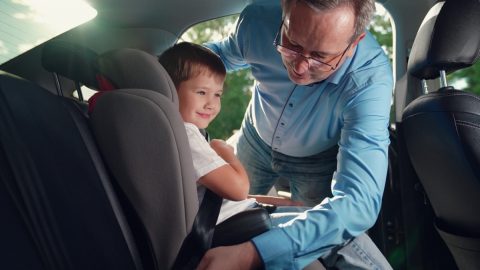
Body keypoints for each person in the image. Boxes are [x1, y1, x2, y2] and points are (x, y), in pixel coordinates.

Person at [199, 0, 394, 269]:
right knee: (221, 220)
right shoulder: (257, 19)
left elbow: (358, 202)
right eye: (292, 43)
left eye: (321, 56)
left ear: (354, 44)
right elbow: (219, 56)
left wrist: (251, 255)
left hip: (317, 165)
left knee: (314, 246)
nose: (300, 68)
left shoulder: (371, 80)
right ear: (284, 9)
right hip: (254, 140)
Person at [158, 42, 302, 224]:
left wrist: (277, 202)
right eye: (202, 92)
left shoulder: (169, 131)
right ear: (169, 90)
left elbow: (220, 195)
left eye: (217, 94)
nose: (211, 103)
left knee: (302, 210)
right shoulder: (185, 136)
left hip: (235, 215)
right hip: (232, 227)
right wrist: (226, 152)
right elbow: (238, 190)